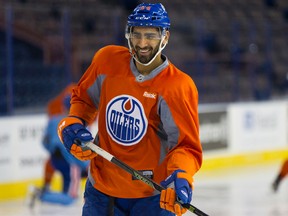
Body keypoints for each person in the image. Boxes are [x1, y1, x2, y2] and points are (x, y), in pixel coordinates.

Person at [57, 3, 203, 216]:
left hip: (152, 198)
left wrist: (181, 175)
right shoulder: (107, 60)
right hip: (101, 192)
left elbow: (185, 147)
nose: (142, 43)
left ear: (165, 37)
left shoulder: (178, 86)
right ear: (129, 35)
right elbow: (84, 100)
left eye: (151, 36)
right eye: (137, 34)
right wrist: (74, 122)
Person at [30, 84, 89, 207]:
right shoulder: (77, 124)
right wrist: (85, 165)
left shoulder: (53, 120)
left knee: (65, 191)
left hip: (55, 161)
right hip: (71, 164)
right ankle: (41, 195)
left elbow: (44, 142)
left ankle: (45, 193)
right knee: (71, 198)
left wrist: (52, 151)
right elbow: (80, 147)